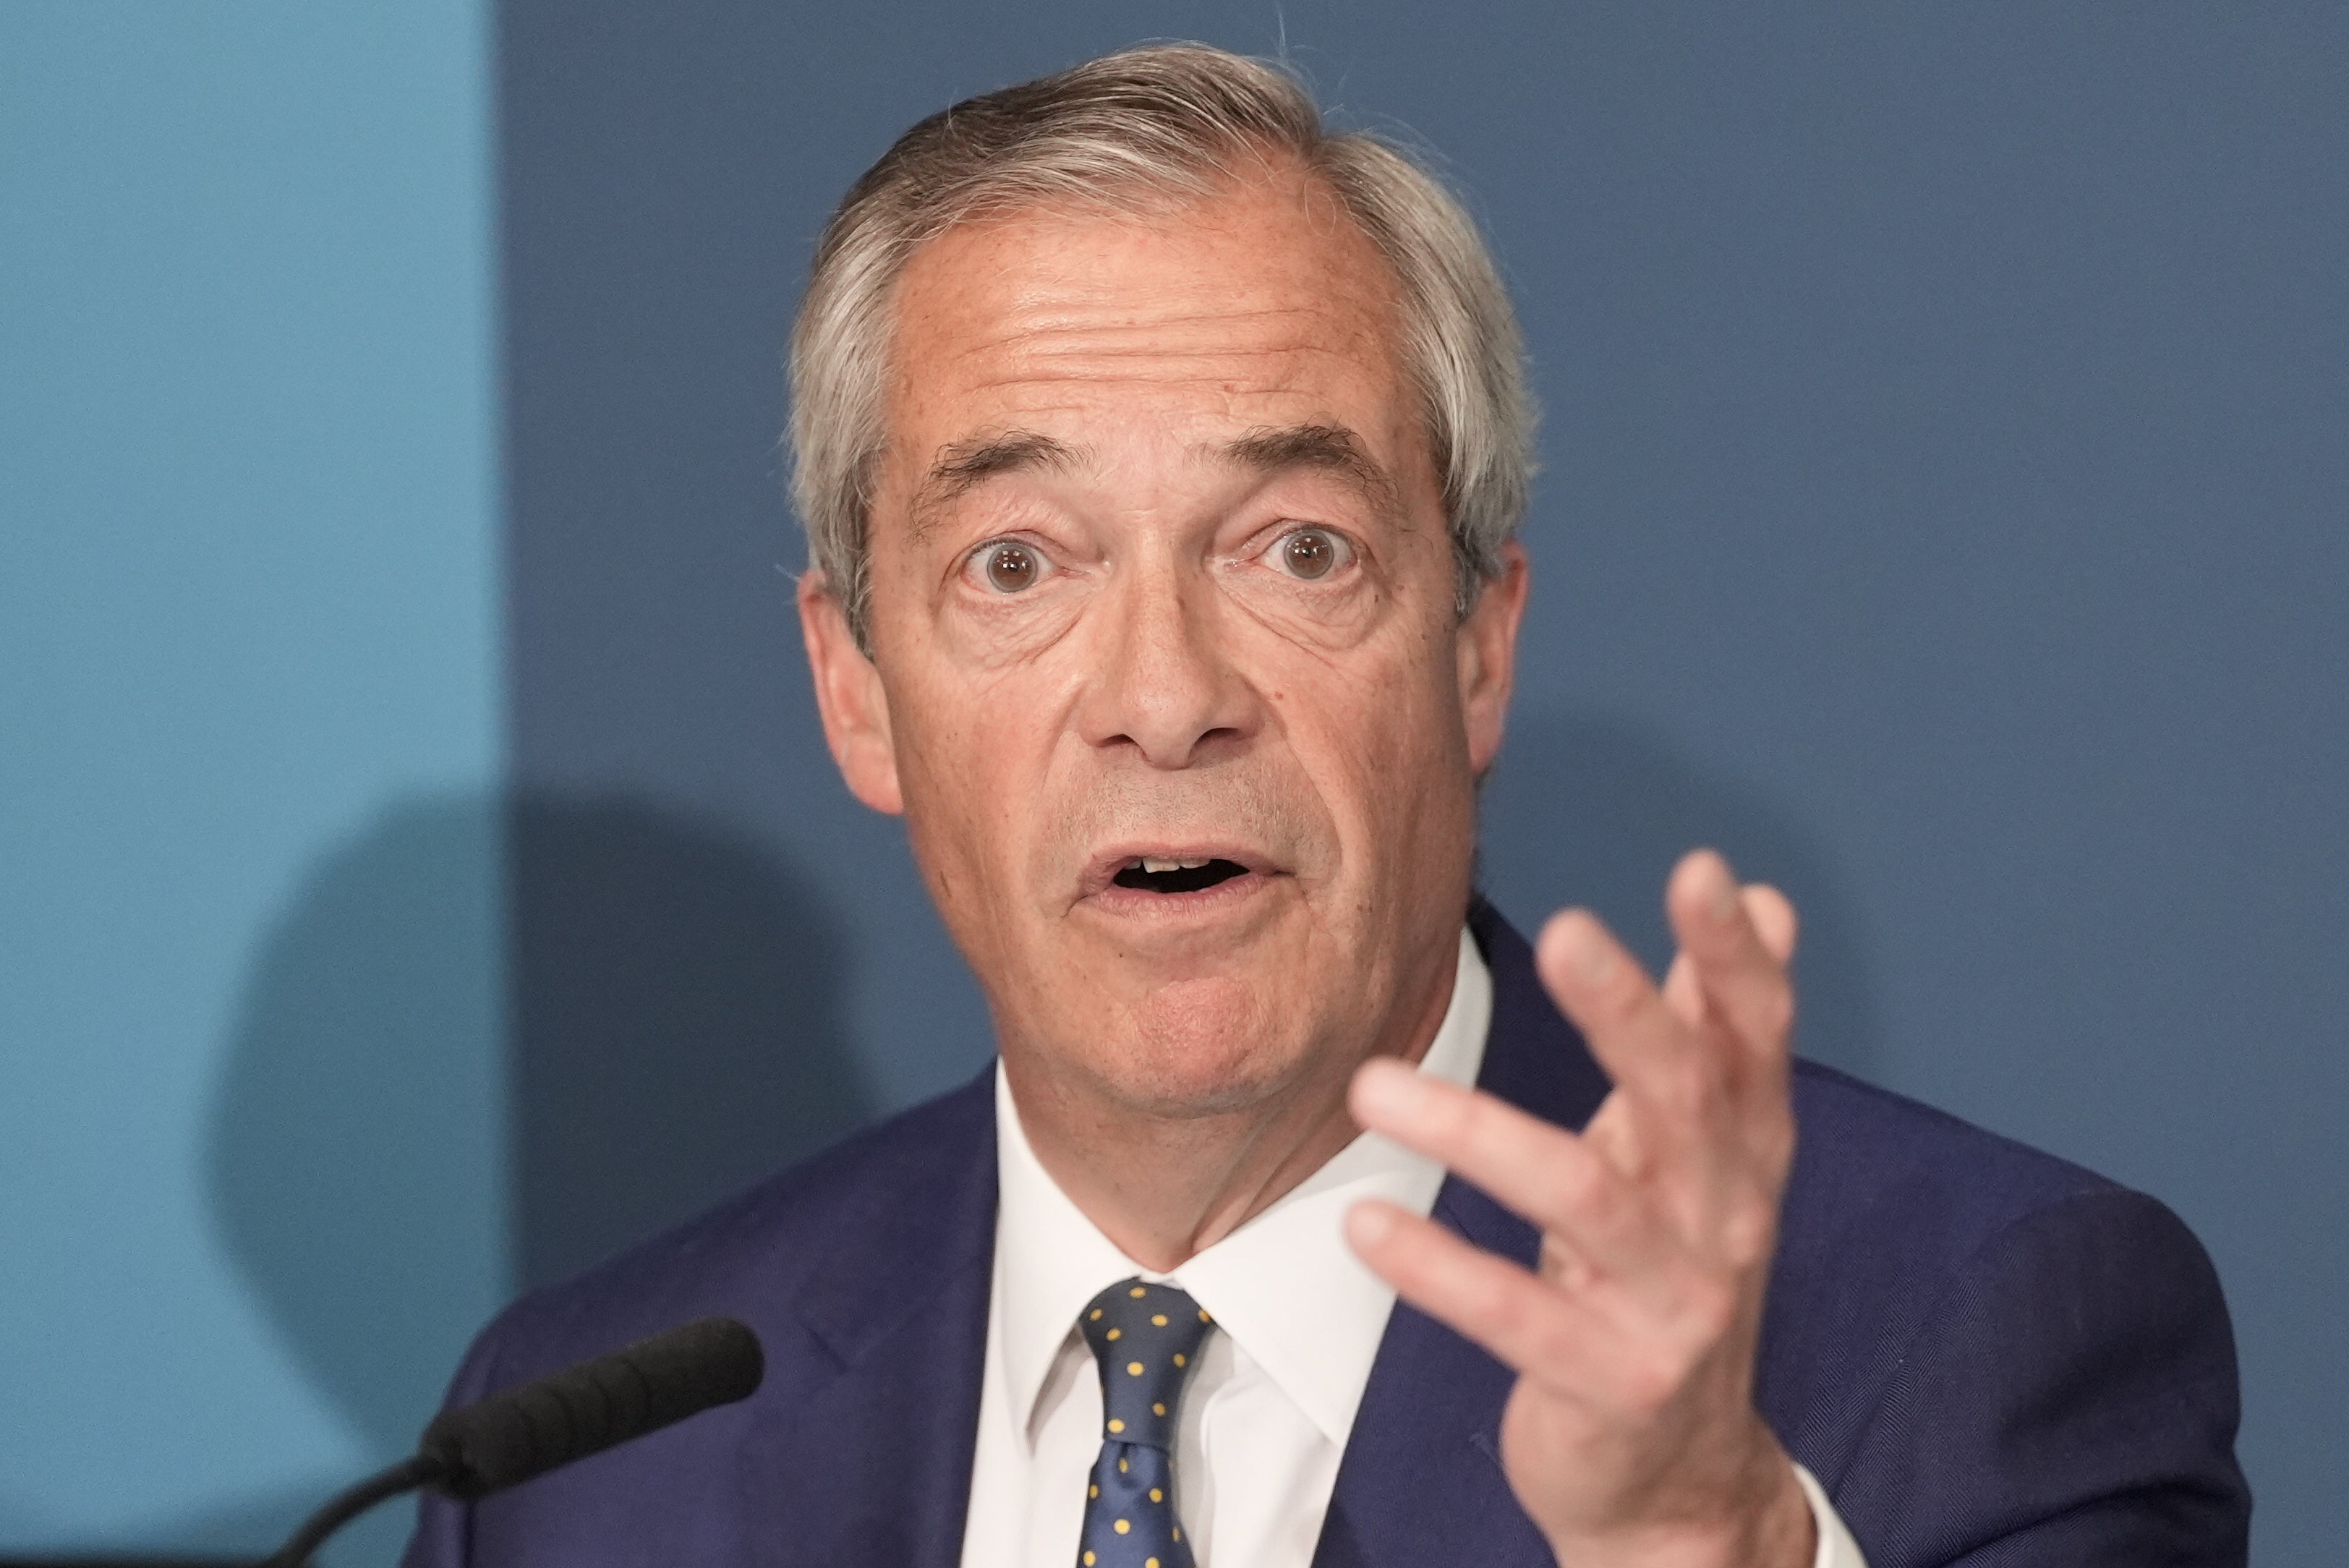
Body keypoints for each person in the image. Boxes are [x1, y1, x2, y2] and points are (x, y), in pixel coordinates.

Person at [402, 43, 2247, 1568]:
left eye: (1298, 548)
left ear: (1474, 647)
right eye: (1017, 564)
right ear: (854, 690)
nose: (1164, 697)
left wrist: (1713, 1542)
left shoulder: (1976, 1338)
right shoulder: (585, 1456)